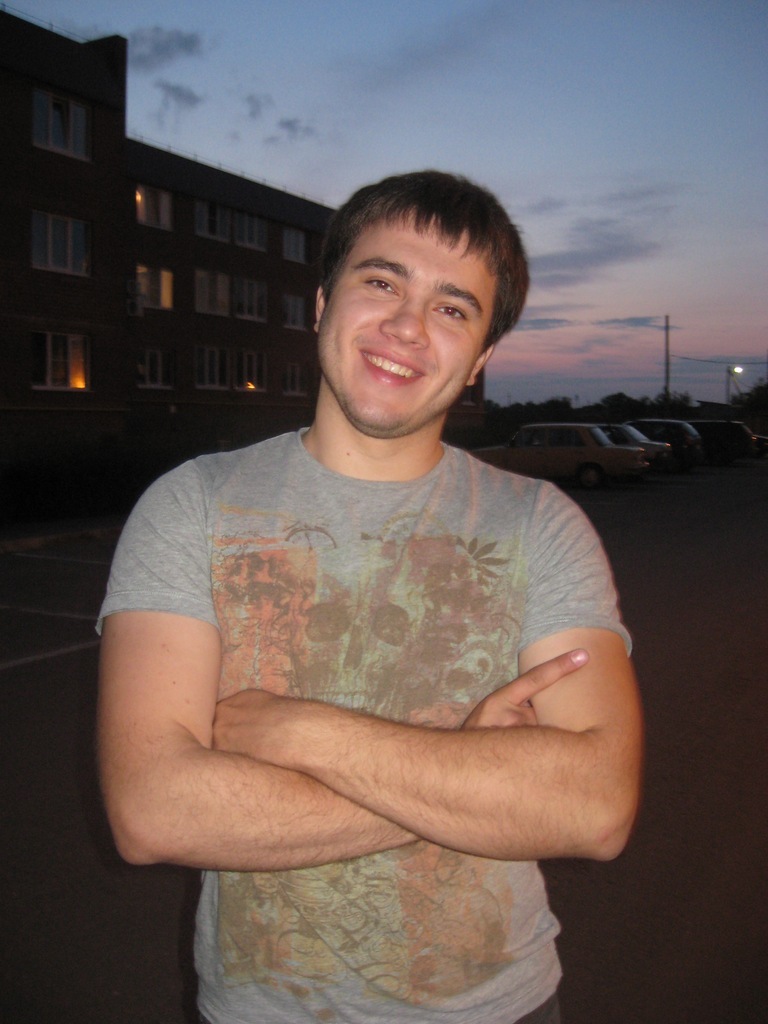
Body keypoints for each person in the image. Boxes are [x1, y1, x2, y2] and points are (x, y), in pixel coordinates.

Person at [97, 170, 643, 1024]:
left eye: (453, 308)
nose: (407, 327)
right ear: (322, 303)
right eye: (382, 282)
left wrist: (303, 733)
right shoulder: (193, 505)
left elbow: (596, 805)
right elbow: (152, 809)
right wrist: (469, 773)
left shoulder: (540, 523)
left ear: (481, 358)